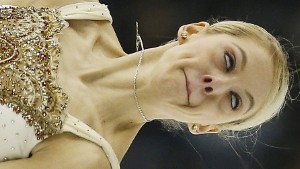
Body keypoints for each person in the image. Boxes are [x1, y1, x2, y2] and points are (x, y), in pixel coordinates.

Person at [0, 0, 289, 169]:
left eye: (234, 100)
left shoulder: (85, 159)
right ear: (193, 32)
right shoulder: (75, 10)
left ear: (207, 126)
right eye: (228, 60)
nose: (216, 83)